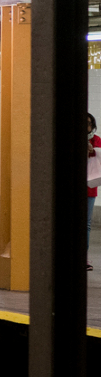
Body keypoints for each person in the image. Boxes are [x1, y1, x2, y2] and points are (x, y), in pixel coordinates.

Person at [87, 113, 98, 269]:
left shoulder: (96, 140)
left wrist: (92, 151)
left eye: (88, 123)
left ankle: (85, 257)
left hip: (90, 187)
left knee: (86, 224)